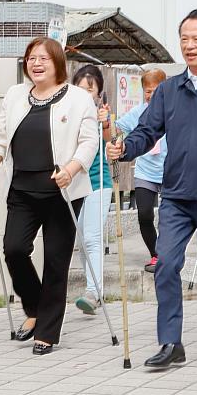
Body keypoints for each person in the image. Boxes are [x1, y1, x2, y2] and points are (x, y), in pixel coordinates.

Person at [106, 9, 197, 368]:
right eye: (184, 38)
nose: (189, 45)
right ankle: (171, 342)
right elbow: (146, 131)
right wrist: (125, 147)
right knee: (166, 265)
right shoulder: (170, 89)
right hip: (176, 195)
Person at [0, 37, 98, 355]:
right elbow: (0, 137)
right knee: (14, 249)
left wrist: (71, 169)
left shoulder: (79, 98)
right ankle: (34, 308)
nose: (36, 63)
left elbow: (88, 143)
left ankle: (47, 332)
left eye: (43, 57)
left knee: (57, 261)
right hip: (22, 190)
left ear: (58, 62)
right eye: (31, 58)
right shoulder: (16, 95)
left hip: (63, 191)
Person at [115, 69, 168, 272]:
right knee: (144, 214)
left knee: (167, 217)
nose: (151, 95)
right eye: (148, 91)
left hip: (168, 171)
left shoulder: (171, 111)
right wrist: (105, 123)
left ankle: (167, 254)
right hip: (145, 171)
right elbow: (117, 127)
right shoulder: (138, 112)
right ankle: (155, 254)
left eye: (156, 90)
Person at [71, 65, 113, 315]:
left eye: (91, 89)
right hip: (74, 185)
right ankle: (94, 290)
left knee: (93, 238)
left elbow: (110, 137)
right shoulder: (65, 114)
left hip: (98, 184)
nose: (85, 93)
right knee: (81, 242)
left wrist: (105, 121)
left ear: (98, 93)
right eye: (80, 87)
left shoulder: (101, 114)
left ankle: (93, 292)